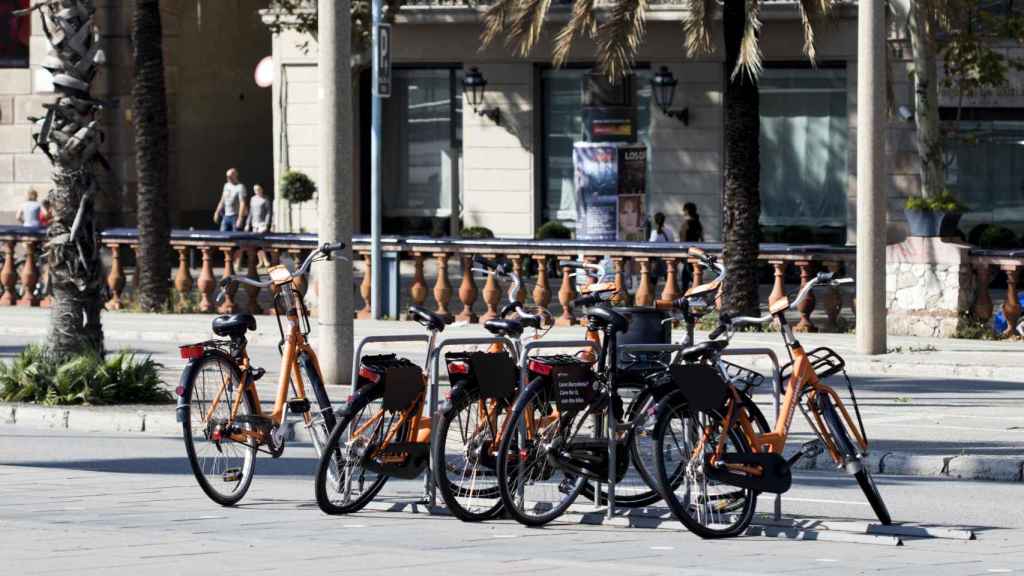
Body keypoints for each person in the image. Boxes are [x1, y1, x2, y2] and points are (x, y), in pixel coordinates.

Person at [246, 184, 273, 269]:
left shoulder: (266, 199)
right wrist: (247, 223)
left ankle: (266, 261)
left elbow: (269, 212)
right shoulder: (253, 199)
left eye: (258, 189)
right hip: (254, 223)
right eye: (255, 190)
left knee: (262, 243)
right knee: (256, 243)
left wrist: (267, 224)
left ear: (262, 189)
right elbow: (251, 212)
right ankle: (261, 261)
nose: (256, 191)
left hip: (262, 224)